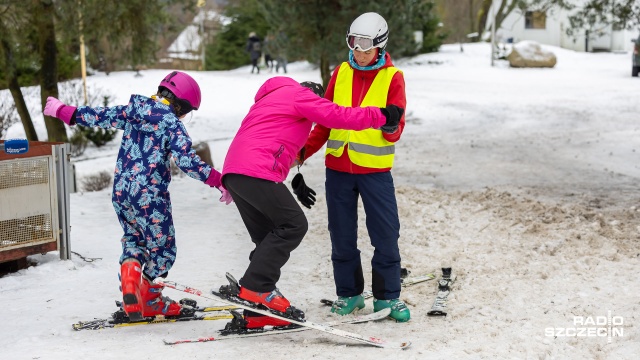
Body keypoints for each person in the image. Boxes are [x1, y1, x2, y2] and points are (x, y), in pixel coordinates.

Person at [43, 71, 231, 322]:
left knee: (134, 239)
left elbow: (100, 116)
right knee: (163, 251)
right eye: (188, 110)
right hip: (150, 196)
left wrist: (66, 111)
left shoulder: (134, 110)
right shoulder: (172, 124)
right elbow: (187, 161)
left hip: (122, 191)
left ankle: (131, 285)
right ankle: (149, 300)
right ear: (182, 104)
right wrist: (219, 181)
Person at [219, 76, 403, 329]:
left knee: (267, 240)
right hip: (256, 173)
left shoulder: (270, 98)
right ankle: (254, 287)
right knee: (293, 225)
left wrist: (294, 173)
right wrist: (381, 116)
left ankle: (258, 310)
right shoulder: (300, 95)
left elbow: (270, 138)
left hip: (235, 175)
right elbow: (339, 116)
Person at [298, 12, 410, 322]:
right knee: (342, 235)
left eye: (365, 45)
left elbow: (396, 129)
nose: (359, 52)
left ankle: (388, 297)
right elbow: (324, 122)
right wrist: (301, 152)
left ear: (379, 44)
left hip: (374, 172)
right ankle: (349, 294)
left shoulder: (393, 77)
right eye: (353, 43)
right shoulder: (341, 73)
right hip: (338, 171)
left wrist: (389, 124)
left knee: (386, 234)